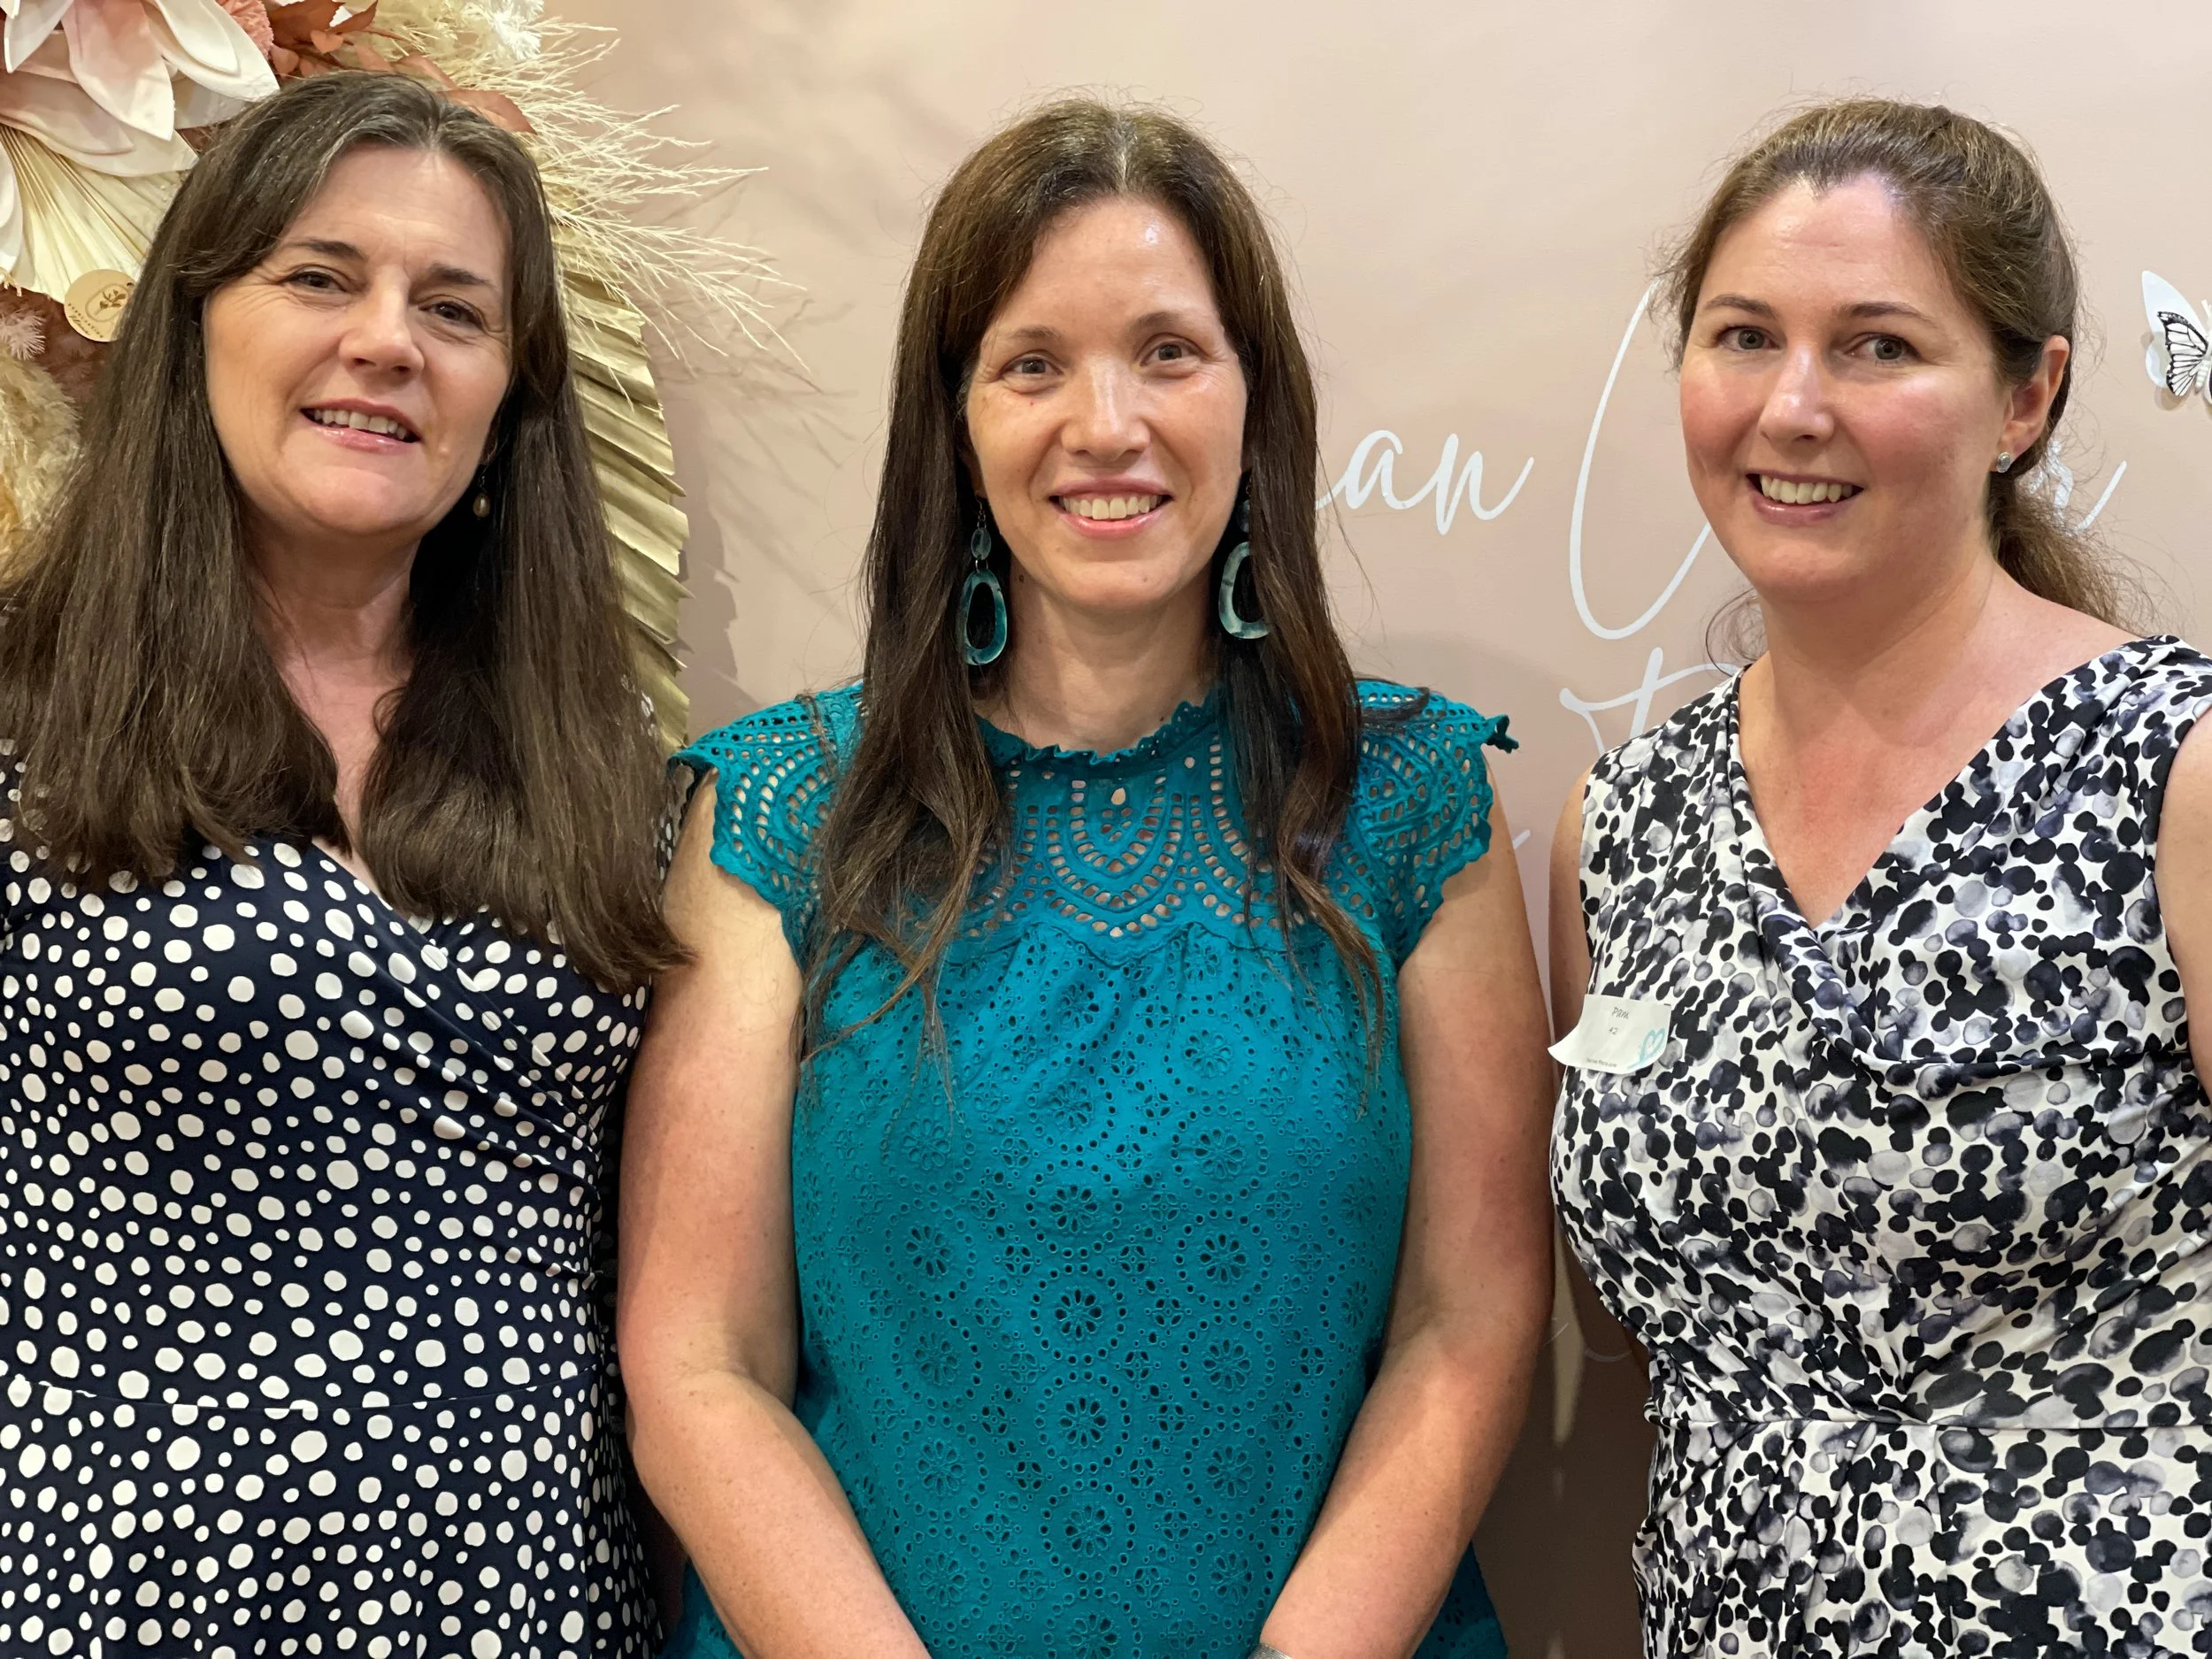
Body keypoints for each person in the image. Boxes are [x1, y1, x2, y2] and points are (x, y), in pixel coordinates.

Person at [620, 99, 1555, 1659]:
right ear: (956, 421)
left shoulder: (1407, 800)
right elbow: (700, 1362)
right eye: (1033, 363)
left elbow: (1469, 1323)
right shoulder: (784, 809)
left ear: (1255, 398)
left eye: (1168, 353)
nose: (1106, 424)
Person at [0, 73, 675, 1656]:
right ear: (192, 327)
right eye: (320, 275)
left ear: (511, 393)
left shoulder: (602, 756)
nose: (388, 341)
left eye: (455, 308)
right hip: (112, 1601)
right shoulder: (24, 716)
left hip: (535, 1606)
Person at [1549, 98, 2212, 1658]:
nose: (1792, 407)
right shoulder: (1622, 823)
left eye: (1877, 347)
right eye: (1744, 336)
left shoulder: (2174, 768)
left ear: (2025, 397)